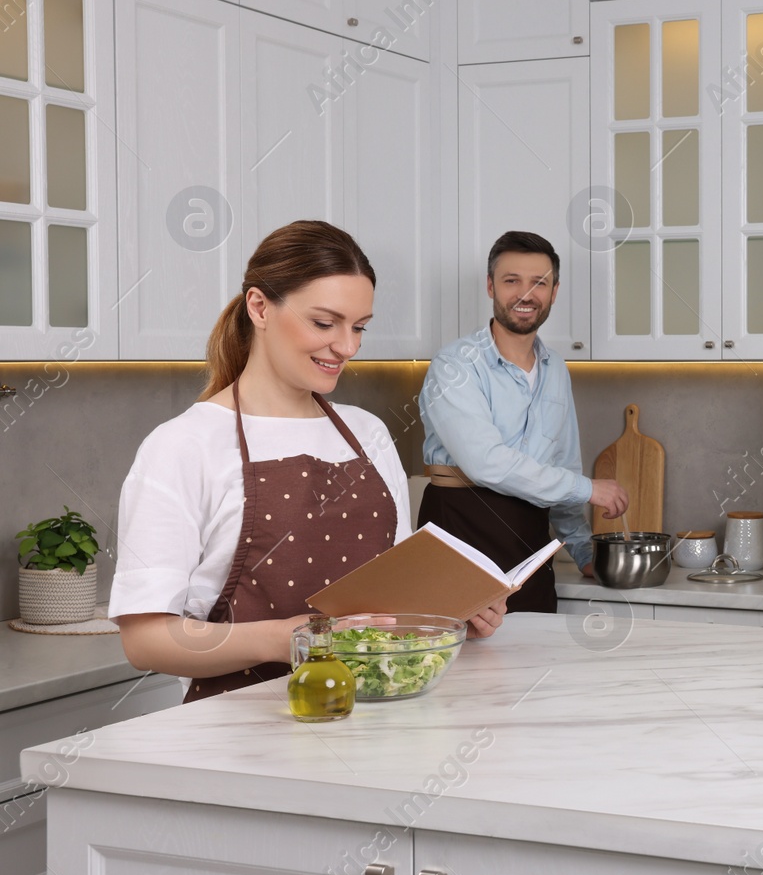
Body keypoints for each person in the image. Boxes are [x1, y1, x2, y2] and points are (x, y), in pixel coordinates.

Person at [110, 221, 506, 703]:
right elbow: (145, 641)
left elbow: (394, 602)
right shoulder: (183, 446)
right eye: (324, 323)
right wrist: (286, 639)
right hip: (238, 732)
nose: (348, 347)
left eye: (359, 327)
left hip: (374, 718)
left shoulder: (369, 434)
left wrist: (448, 614)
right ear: (259, 307)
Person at [417, 231, 627, 613]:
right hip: (460, 529)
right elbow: (487, 463)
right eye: (511, 281)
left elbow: (561, 466)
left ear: (554, 291)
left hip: (531, 541)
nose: (525, 295)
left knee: (534, 656)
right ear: (490, 286)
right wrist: (588, 489)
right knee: (459, 663)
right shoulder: (456, 364)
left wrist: (581, 551)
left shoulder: (557, 369)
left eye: (539, 283)